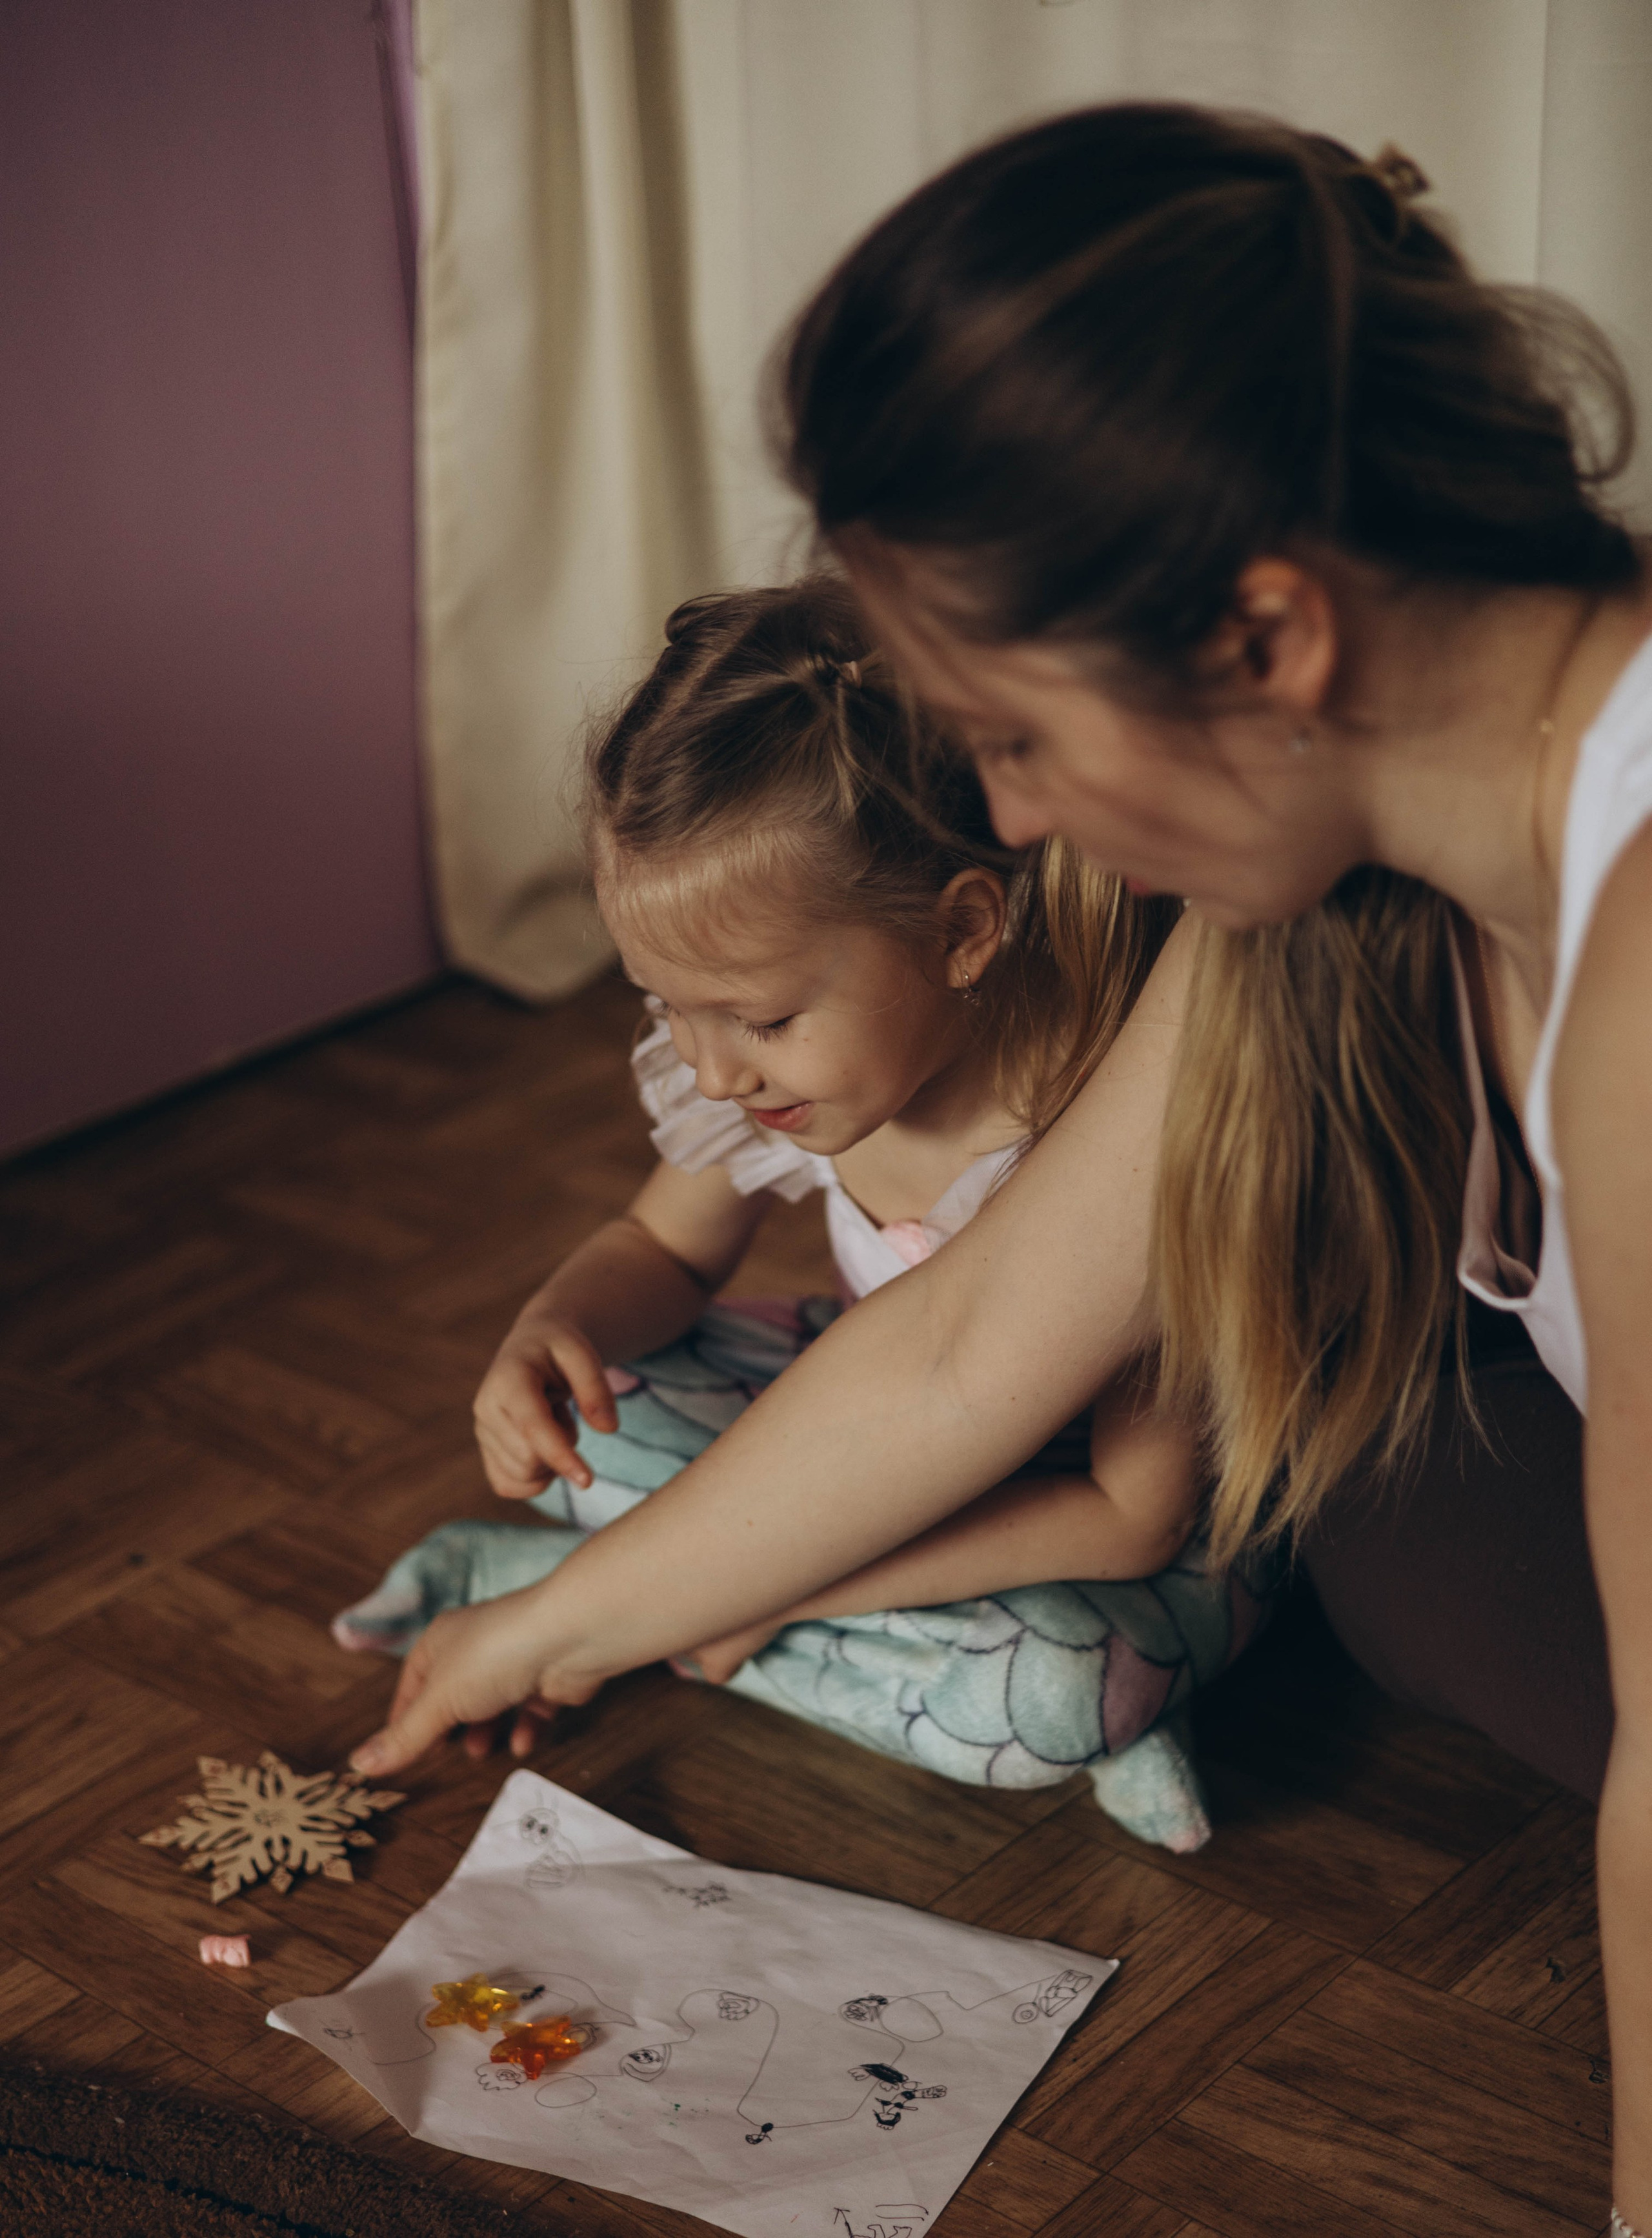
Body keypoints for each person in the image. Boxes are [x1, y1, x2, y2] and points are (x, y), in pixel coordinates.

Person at [348, 105, 1652, 2223]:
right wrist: (553, 1623)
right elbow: (970, 1342)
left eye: (1020, 741)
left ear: (1265, 635)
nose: (1020, 829)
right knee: (1381, 1519)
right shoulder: (1312, 896)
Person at [338, 576, 1267, 1850]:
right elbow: (662, 1248)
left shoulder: (1111, 1135)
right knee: (591, 1419)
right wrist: (550, 1329)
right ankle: (633, 1604)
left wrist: (778, 1582)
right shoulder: (751, 1080)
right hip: (871, 1465)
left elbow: (1129, 1517)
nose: (713, 1070)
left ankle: (608, 1607)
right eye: (667, 1005)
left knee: (1058, 1690)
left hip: (1101, 1535)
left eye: (764, 1020)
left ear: (960, 931)